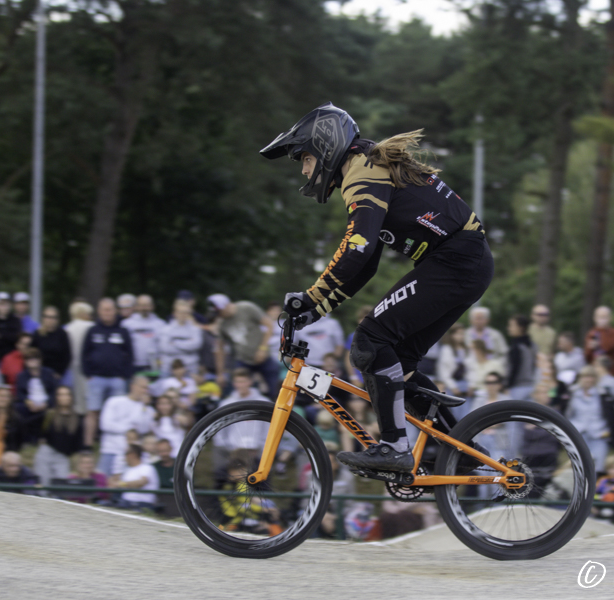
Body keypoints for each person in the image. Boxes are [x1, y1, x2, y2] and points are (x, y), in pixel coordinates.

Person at [264, 103, 492, 472]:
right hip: (462, 261)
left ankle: (394, 447)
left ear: (326, 147)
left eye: (305, 158)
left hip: (457, 261)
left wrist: (311, 297)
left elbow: (357, 249)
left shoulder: (362, 172)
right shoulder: (365, 165)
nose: (304, 170)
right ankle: (464, 453)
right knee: (398, 361)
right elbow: (366, 265)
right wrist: (316, 309)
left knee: (370, 341)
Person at [81, 298, 134, 448]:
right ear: (99, 311)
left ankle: (117, 445)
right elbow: (84, 354)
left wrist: (124, 375)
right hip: (96, 378)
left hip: (117, 379)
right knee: (93, 412)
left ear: (115, 311)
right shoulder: (92, 330)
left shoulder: (123, 331)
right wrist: (88, 374)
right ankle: (88, 445)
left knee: (118, 413)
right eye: (104, 309)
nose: (107, 313)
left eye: (110, 309)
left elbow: (130, 355)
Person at [208, 294, 279, 399]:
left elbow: (269, 325)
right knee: (238, 390)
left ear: (226, 306)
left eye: (219, 312)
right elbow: (220, 349)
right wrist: (220, 374)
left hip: (263, 357)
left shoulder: (246, 308)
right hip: (243, 360)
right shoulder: (222, 323)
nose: (219, 315)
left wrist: (263, 348)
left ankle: (277, 405)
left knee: (275, 389)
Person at [97, 375, 155, 475]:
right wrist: (130, 429)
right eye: (142, 387)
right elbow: (105, 425)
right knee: (104, 482)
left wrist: (144, 407)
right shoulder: (114, 401)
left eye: (147, 388)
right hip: (111, 450)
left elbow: (143, 429)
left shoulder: (148, 410)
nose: (145, 391)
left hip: (133, 454)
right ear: (133, 386)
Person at [32, 387, 84, 486]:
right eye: (61, 395)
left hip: (63, 456)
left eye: (67, 394)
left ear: (71, 397)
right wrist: (38, 439)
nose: (64, 397)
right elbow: (34, 426)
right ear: (57, 397)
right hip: (47, 452)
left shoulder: (77, 418)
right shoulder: (50, 414)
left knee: (61, 485)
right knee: (44, 484)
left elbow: (79, 441)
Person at [566, 366, 611, 470]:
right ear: (580, 378)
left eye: (591, 377)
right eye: (585, 376)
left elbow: (610, 415)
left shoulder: (603, 394)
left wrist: (608, 431)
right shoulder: (571, 393)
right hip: (578, 434)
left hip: (599, 434)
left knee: (598, 466)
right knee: (580, 467)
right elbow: (567, 414)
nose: (589, 380)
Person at [14, 348, 59, 444]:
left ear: (40, 360)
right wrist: (28, 402)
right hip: (29, 404)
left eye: (35, 359)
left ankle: (44, 437)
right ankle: (26, 439)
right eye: (29, 359)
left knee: (51, 411)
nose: (32, 362)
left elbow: (54, 391)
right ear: (25, 362)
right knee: (18, 409)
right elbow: (19, 393)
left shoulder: (49, 373)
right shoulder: (21, 376)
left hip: (46, 403)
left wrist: (47, 403)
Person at [158, 299, 203, 377]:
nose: (183, 315)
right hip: (169, 370)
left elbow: (196, 345)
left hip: (190, 370)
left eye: (186, 312)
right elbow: (165, 348)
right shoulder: (166, 329)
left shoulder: (195, 329)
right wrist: (188, 345)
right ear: (174, 313)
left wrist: (175, 343)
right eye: (181, 312)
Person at [121, 295, 166, 372]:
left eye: (147, 305)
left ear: (152, 306)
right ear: (136, 307)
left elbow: (163, 346)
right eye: (141, 305)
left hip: (154, 366)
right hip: (133, 365)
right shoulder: (126, 324)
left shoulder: (160, 324)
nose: (144, 308)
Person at [64, 301, 94, 414]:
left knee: (76, 399)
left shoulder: (67, 328)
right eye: (89, 314)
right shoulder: (91, 326)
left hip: (71, 367)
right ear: (82, 314)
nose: (90, 316)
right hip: (89, 368)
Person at [110, 444, 159, 511]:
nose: (124, 456)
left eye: (126, 453)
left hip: (142, 504)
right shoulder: (128, 470)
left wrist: (120, 484)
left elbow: (141, 482)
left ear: (133, 454)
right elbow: (113, 483)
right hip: (125, 502)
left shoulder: (147, 467)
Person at [32, 306, 71, 378]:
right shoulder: (37, 334)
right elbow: (33, 354)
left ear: (57, 319)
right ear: (43, 318)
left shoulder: (62, 334)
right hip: (40, 372)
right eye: (48, 317)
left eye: (53, 317)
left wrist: (59, 373)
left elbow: (67, 355)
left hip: (57, 373)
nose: (50, 320)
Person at [506, 314, 537, 401]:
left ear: (521, 327)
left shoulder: (516, 347)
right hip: (531, 386)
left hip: (517, 387)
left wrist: (507, 385)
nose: (509, 328)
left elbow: (514, 368)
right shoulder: (532, 346)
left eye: (511, 326)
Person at [583, 306, 614, 376]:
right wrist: (590, 348)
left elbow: (609, 347)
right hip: (594, 373)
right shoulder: (591, 333)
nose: (602, 320)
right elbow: (587, 356)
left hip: (610, 372)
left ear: (610, 318)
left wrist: (598, 343)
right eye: (600, 317)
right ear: (595, 318)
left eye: (604, 317)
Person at [0, 292, 22, 360]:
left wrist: (1, 336)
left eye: (7, 304)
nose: (5, 307)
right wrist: (7, 336)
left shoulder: (15, 321)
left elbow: (16, 338)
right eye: (1, 304)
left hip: (12, 357)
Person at [436, 323, 469, 398]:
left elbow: (471, 369)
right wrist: (453, 387)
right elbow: (443, 371)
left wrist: (471, 386)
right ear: (452, 335)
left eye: (462, 334)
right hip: (450, 384)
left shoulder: (467, 350)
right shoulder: (446, 349)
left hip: (465, 383)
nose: (461, 336)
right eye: (458, 334)